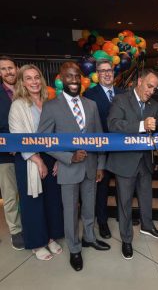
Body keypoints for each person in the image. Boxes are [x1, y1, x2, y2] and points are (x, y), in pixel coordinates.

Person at [38, 62, 110, 271]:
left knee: (89, 207)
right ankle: (75, 248)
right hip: (68, 168)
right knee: (70, 212)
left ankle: (89, 237)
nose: (74, 81)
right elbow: (44, 140)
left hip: (91, 167)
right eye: (69, 77)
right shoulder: (51, 106)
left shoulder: (91, 105)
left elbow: (100, 138)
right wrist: (68, 157)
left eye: (77, 76)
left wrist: (101, 164)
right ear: (61, 79)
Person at [106, 68, 158, 260]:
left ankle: (147, 226)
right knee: (124, 202)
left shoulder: (154, 105)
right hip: (124, 161)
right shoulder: (121, 99)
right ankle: (127, 240)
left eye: (154, 88)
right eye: (149, 86)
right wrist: (141, 126)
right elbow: (113, 125)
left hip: (145, 161)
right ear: (139, 81)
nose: (151, 91)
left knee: (146, 197)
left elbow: (154, 134)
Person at [8, 64, 64, 260]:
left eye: (36, 77)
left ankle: (50, 238)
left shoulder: (50, 101)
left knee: (52, 200)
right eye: (29, 78)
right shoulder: (18, 105)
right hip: (29, 159)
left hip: (52, 156)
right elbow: (17, 136)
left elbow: (59, 133)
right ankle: (36, 242)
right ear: (22, 82)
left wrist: (58, 159)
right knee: (33, 202)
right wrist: (38, 160)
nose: (34, 81)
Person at [83, 59, 124, 239]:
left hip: (121, 149)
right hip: (101, 150)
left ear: (114, 72)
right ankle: (102, 221)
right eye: (102, 71)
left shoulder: (123, 93)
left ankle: (126, 216)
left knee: (124, 185)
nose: (107, 74)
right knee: (102, 189)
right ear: (97, 74)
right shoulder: (89, 95)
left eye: (109, 70)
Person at [0, 56, 24, 250]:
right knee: (10, 195)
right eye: (4, 69)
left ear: (16, 69)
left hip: (29, 153)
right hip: (5, 155)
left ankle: (30, 225)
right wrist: (11, 143)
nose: (8, 72)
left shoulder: (26, 91)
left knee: (28, 192)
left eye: (10, 67)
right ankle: (16, 231)